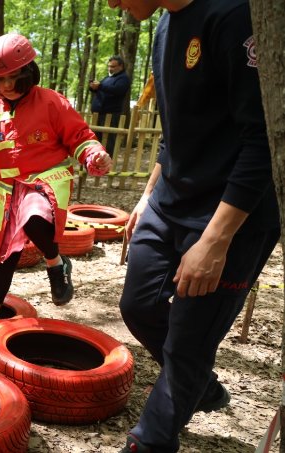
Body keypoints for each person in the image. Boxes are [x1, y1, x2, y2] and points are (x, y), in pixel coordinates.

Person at [107, 0, 280, 452]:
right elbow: (175, 132)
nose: (111, 3)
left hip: (231, 216)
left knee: (188, 340)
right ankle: (199, 386)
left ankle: (151, 440)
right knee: (139, 307)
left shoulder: (236, 16)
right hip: (170, 202)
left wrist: (217, 240)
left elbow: (262, 143)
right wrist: (148, 195)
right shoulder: (165, 26)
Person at [0, 33, 112, 319]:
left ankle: (56, 262)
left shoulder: (51, 103)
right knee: (4, 253)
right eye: (0, 80)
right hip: (8, 189)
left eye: (14, 77)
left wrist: (94, 155)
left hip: (47, 180)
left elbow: (79, 137)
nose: (7, 86)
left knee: (32, 217)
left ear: (30, 72)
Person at [88, 55, 130, 156]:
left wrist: (100, 86)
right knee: (96, 139)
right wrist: (93, 87)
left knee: (108, 140)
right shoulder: (107, 78)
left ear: (121, 66)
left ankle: (107, 162)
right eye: (109, 66)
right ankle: (95, 160)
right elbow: (102, 89)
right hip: (98, 114)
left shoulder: (123, 78)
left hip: (110, 114)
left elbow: (118, 90)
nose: (110, 68)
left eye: (113, 66)